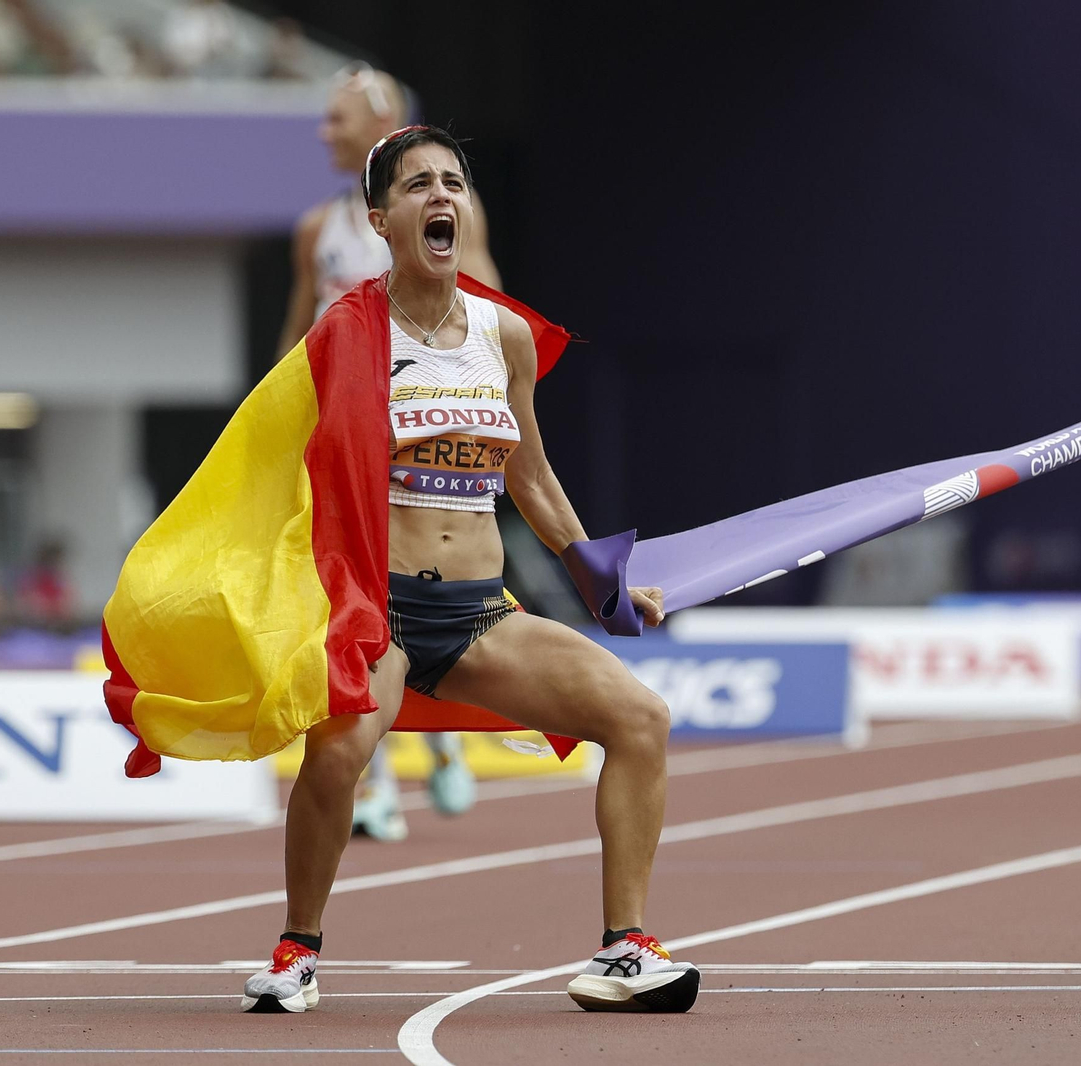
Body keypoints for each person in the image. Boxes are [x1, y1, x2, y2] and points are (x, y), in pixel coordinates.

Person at [240, 126, 697, 1014]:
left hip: (484, 613)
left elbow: (527, 471)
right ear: (382, 218)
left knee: (641, 719)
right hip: (383, 614)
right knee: (334, 762)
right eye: (418, 185)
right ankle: (297, 951)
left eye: (454, 182)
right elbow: (290, 466)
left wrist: (597, 578)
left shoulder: (505, 334)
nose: (440, 196)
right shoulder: (347, 333)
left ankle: (624, 951)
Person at [275, 64, 502, 841]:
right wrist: (276, 429)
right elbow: (300, 337)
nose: (322, 132)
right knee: (348, 610)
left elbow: (492, 307)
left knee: (411, 602)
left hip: (419, 449)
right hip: (344, 447)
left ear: (378, 121)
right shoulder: (319, 228)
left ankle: (438, 746)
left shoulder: (442, 217)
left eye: (335, 119)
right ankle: (372, 781)